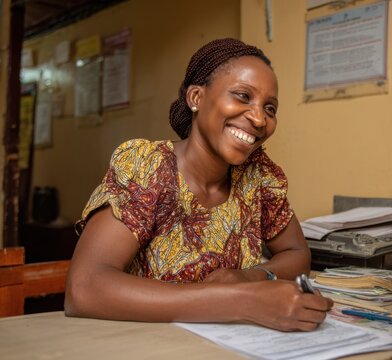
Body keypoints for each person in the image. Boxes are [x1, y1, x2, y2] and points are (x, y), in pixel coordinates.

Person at [65, 38, 333, 331]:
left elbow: (297, 255)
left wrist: (250, 277)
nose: (259, 118)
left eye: (270, 108)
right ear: (196, 97)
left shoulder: (258, 178)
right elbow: (85, 289)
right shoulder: (148, 167)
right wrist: (241, 301)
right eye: (243, 96)